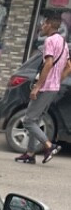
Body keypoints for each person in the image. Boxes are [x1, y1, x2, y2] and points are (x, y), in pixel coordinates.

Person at [16, 9, 70, 164]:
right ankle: (30, 153)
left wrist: (37, 87)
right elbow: (69, 66)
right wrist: (57, 80)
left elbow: (48, 64)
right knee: (36, 119)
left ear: (49, 24)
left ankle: (49, 146)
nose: (41, 26)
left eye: (43, 23)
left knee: (28, 120)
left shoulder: (50, 41)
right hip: (53, 88)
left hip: (45, 87)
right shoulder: (63, 43)